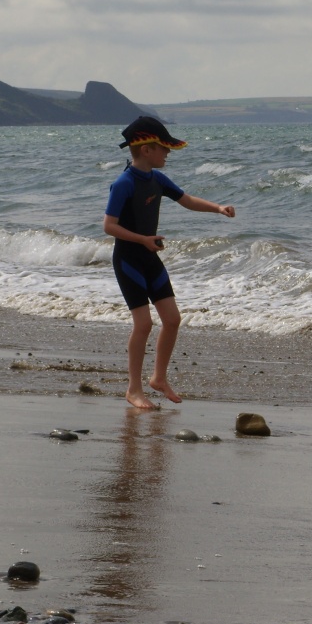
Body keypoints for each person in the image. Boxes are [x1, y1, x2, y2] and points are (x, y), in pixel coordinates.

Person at [104, 116, 235, 409]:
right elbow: (109, 226)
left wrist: (217, 208)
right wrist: (142, 239)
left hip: (150, 256)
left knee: (172, 320)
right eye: (164, 148)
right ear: (147, 149)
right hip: (129, 260)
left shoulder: (157, 179)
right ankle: (133, 389)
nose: (168, 154)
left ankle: (158, 378)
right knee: (143, 324)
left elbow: (186, 200)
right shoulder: (123, 183)